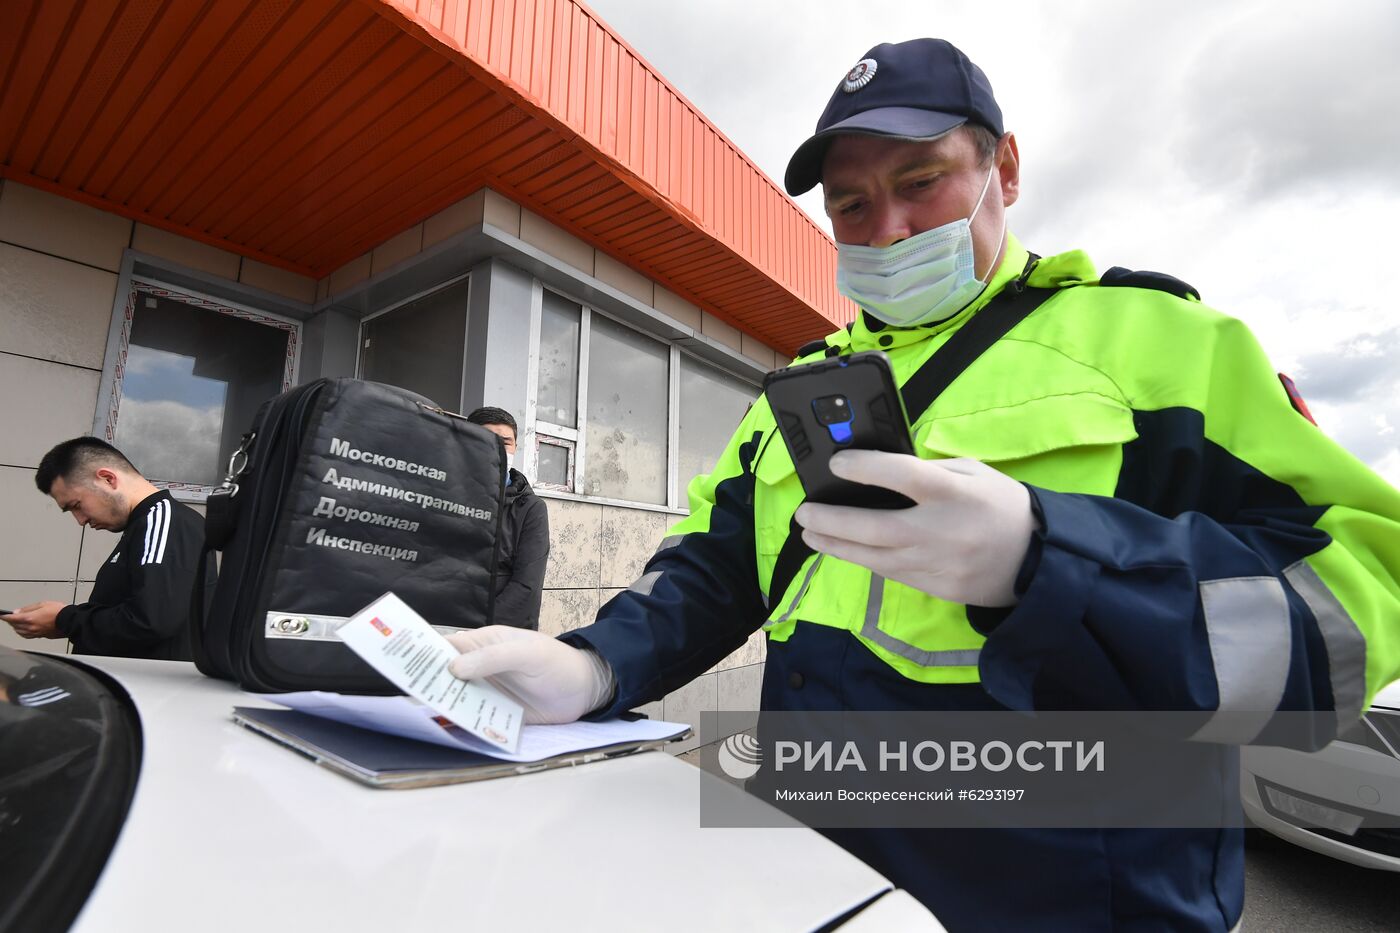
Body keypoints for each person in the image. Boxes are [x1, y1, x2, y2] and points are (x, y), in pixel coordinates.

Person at [440, 39, 1400, 930]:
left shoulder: (1164, 345)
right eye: (853, 204)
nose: (888, 228)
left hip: (1073, 902)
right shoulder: (808, 386)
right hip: (822, 874)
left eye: (920, 181)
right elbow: (712, 566)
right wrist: (594, 666)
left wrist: (1048, 560)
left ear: (1004, 170)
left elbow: (1356, 606)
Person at [2, 437, 212, 661]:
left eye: (76, 505)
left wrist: (64, 619)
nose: (80, 520)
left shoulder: (163, 521)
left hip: (147, 692)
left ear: (108, 479)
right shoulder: (145, 525)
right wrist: (64, 622)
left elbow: (151, 621)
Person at [466, 407, 550, 629]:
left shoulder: (531, 509)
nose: (497, 449)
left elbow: (526, 587)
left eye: (505, 442)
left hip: (499, 635)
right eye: (486, 439)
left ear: (515, 447)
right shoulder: (446, 498)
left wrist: (474, 629)